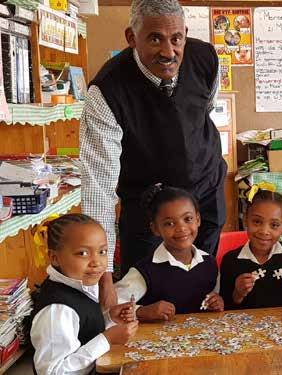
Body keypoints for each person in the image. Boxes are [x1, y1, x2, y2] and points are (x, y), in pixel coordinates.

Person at [80, 0, 226, 308]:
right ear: (131, 38)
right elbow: (99, 192)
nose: (168, 52)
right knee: (146, 296)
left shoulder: (205, 59)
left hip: (205, 190)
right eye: (155, 38)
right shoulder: (107, 92)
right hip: (148, 205)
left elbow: (205, 109)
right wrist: (106, 278)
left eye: (176, 39)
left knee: (203, 287)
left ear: (185, 34)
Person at [30, 214, 139, 375]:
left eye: (102, 251)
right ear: (54, 258)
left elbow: (80, 332)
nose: (96, 262)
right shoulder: (57, 310)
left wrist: (108, 319)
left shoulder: (80, 285)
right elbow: (53, 372)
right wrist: (107, 339)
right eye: (83, 253)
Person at [114, 184, 223, 321]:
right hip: (156, 340)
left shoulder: (210, 263)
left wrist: (217, 302)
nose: (181, 228)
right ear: (155, 229)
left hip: (204, 338)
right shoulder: (145, 271)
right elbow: (112, 304)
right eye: (169, 223)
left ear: (198, 219)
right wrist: (142, 311)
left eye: (187, 219)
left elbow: (215, 297)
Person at [220, 183, 282, 309]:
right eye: (257, 222)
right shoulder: (230, 260)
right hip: (245, 327)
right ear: (245, 220)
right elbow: (224, 308)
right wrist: (237, 294)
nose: (264, 231)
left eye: (274, 225)